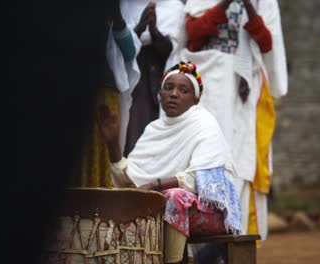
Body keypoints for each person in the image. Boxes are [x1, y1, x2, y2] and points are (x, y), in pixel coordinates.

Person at [98, 61, 243, 264]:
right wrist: (113, 144)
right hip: (165, 206)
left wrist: (155, 186)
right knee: (112, 198)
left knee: (173, 197)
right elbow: (129, 183)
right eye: (169, 88)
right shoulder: (153, 130)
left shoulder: (204, 123)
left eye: (183, 90)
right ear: (160, 95)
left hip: (211, 212)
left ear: (196, 99)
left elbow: (201, 179)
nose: (174, 94)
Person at [173, 0, 288, 245]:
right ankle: (197, 246)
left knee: (238, 163)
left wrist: (247, 5)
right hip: (208, 91)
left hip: (240, 96)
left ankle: (232, 241)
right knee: (200, 158)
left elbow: (266, 43)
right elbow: (193, 34)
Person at [76, 0, 141, 187]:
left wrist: (116, 17)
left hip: (102, 92)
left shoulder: (115, 9)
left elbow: (129, 52)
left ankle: (96, 214)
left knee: (98, 154)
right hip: (66, 92)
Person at [120, 0, 186, 156]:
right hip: (126, 77)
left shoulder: (174, 7)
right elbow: (117, 46)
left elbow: (171, 51)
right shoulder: (124, 5)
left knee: (148, 144)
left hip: (157, 82)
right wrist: (140, 28)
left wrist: (154, 31)